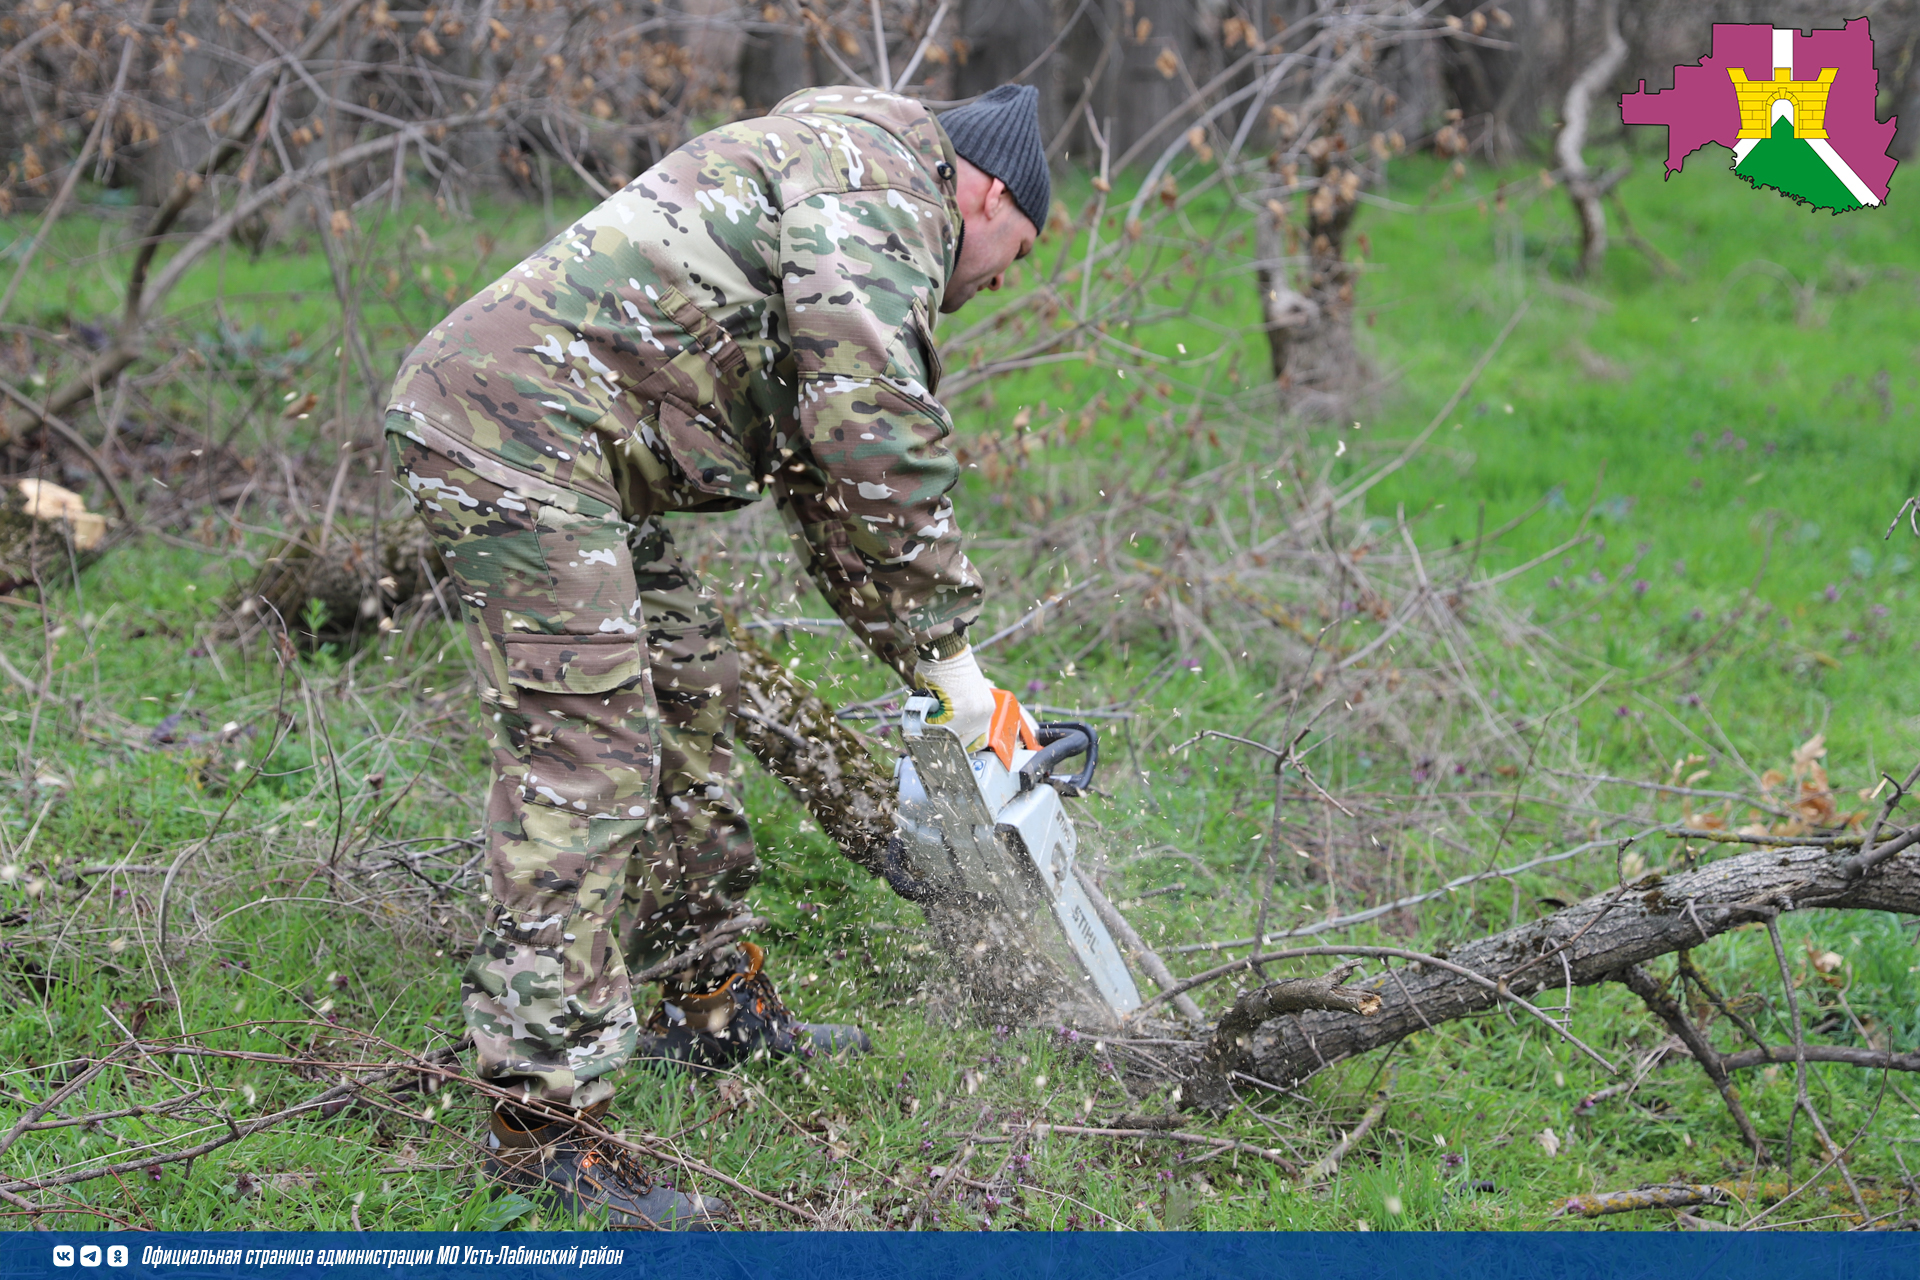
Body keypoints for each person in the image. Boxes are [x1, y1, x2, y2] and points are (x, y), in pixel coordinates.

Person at [382, 82, 1049, 1228]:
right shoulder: (882, 184)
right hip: (517, 432)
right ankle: (541, 1125)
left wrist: (946, 676)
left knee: (686, 681)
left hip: (564, 445)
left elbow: (828, 490)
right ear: (985, 192)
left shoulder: (844, 188)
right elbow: (874, 426)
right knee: (586, 757)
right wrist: (952, 667)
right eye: (1016, 248)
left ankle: (711, 1002)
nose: (1000, 281)